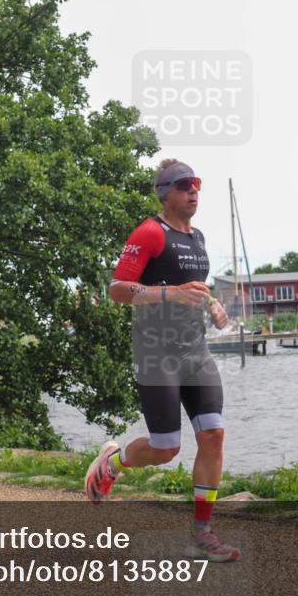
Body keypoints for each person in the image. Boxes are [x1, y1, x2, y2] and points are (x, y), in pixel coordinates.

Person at [84, 158, 240, 563]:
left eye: (197, 184)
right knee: (166, 447)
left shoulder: (198, 238)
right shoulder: (150, 232)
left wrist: (213, 307)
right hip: (156, 354)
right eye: (185, 185)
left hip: (195, 351)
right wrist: (169, 293)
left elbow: (195, 289)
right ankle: (112, 463)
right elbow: (118, 289)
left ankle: (201, 535)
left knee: (214, 435)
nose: (194, 191)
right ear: (165, 193)